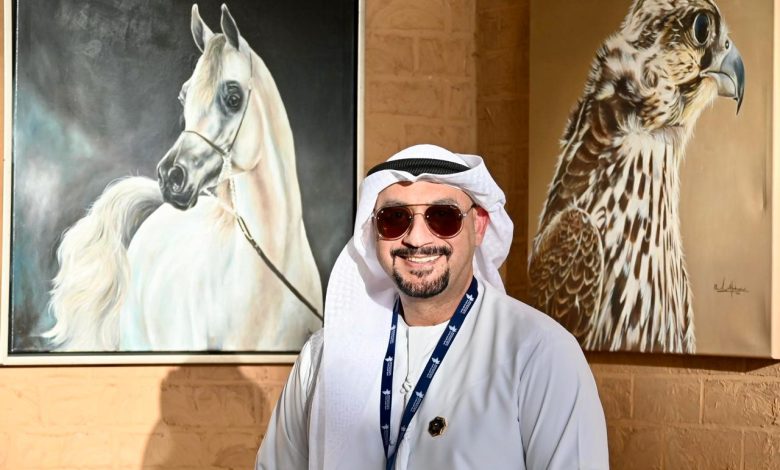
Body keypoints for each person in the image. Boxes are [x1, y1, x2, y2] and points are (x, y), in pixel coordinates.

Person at [256, 144, 609, 469]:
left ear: (479, 226)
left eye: (443, 217)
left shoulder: (540, 354)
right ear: (374, 232)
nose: (416, 238)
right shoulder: (323, 358)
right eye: (395, 218)